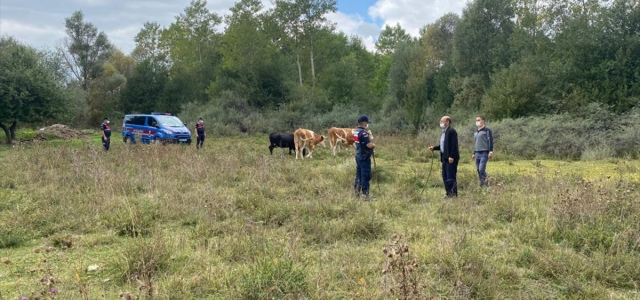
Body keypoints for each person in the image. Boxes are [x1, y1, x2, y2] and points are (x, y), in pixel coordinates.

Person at [429, 116, 459, 198]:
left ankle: (453, 194)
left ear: (448, 122)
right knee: (445, 176)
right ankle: (448, 193)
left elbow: (454, 145)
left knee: (451, 177)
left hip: (450, 159)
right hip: (444, 158)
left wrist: (451, 156)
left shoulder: (451, 131)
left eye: (442, 121)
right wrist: (434, 148)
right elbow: (443, 146)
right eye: (440, 121)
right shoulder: (444, 132)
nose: (440, 123)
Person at [354, 115, 376, 201]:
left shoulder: (356, 131)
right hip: (364, 156)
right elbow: (369, 145)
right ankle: (365, 195)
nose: (367, 124)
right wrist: (373, 145)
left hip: (358, 155)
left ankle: (357, 192)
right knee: (365, 175)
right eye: (367, 122)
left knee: (358, 174)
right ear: (364, 123)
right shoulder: (363, 133)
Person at [473, 115, 493, 187]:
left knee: (481, 169)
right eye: (476, 120)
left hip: (484, 152)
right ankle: (482, 185)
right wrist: (474, 153)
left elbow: (490, 141)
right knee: (478, 170)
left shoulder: (487, 130)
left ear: (483, 121)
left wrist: (490, 151)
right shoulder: (476, 132)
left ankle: (487, 185)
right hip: (477, 153)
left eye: (478, 120)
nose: (477, 122)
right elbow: (475, 143)